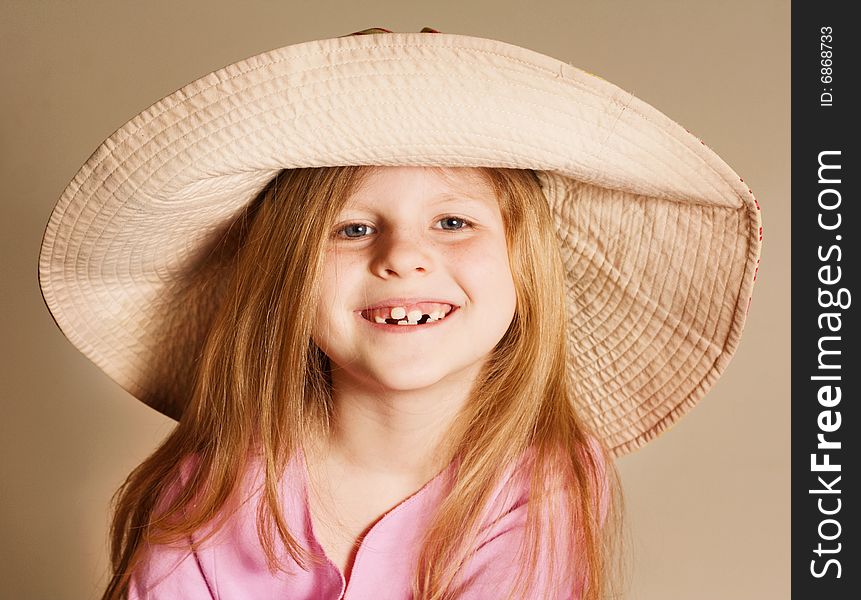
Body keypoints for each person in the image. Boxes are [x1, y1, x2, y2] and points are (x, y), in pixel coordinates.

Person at [37, 27, 763, 600]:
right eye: (352, 229)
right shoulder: (210, 491)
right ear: (287, 281)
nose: (403, 256)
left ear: (523, 270)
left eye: (452, 223)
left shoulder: (545, 483)